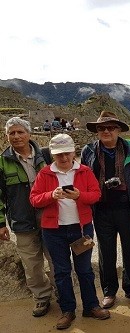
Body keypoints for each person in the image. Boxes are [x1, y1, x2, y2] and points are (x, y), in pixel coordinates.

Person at [30, 134, 110, 330]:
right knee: (62, 272)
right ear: (53, 155)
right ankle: (68, 310)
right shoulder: (45, 173)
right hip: (54, 231)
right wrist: (51, 195)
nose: (64, 158)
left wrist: (79, 195)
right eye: (59, 155)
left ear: (73, 151)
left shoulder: (84, 171)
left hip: (81, 228)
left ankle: (91, 306)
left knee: (84, 270)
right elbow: (34, 199)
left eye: (67, 154)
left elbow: (96, 195)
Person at [80, 111, 130, 309]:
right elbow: (83, 177)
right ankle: (109, 291)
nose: (106, 131)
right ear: (97, 131)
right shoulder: (89, 151)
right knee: (106, 251)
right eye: (101, 128)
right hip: (102, 208)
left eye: (110, 127)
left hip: (126, 207)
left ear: (118, 129)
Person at [0, 117, 55, 317]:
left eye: (20, 132)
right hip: (22, 220)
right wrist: (1, 224)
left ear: (29, 134)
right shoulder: (2, 162)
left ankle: (63, 294)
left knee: (56, 258)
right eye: (11, 133)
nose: (16, 136)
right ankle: (42, 298)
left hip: (50, 217)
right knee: (32, 264)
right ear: (7, 136)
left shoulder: (47, 156)